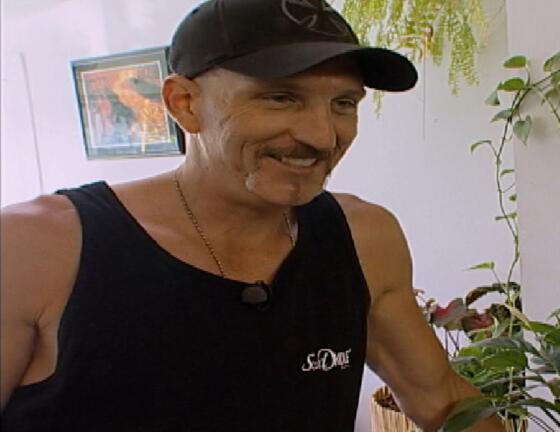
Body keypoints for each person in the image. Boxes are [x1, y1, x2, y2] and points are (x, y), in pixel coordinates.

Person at [0, 0, 504, 431]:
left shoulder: (364, 237)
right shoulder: (37, 248)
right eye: (281, 98)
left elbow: (442, 399)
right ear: (184, 103)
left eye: (343, 103)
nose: (322, 136)